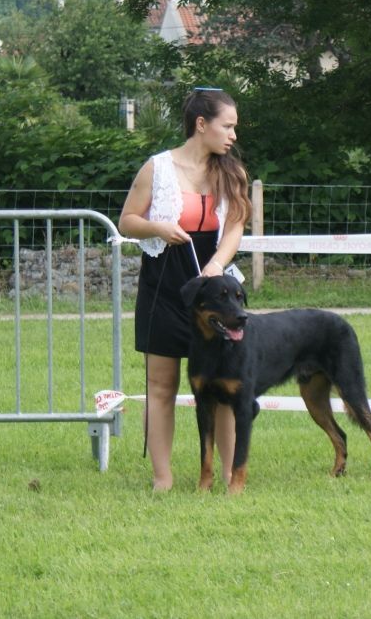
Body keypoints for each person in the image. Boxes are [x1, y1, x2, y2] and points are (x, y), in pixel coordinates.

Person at [119, 88, 251, 490]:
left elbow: (235, 228)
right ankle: (163, 479)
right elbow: (127, 221)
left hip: (215, 294)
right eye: (226, 126)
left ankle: (229, 476)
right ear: (201, 125)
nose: (232, 135)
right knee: (161, 386)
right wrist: (157, 227)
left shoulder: (233, 173)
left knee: (224, 388)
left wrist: (216, 265)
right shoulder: (156, 169)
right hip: (163, 287)